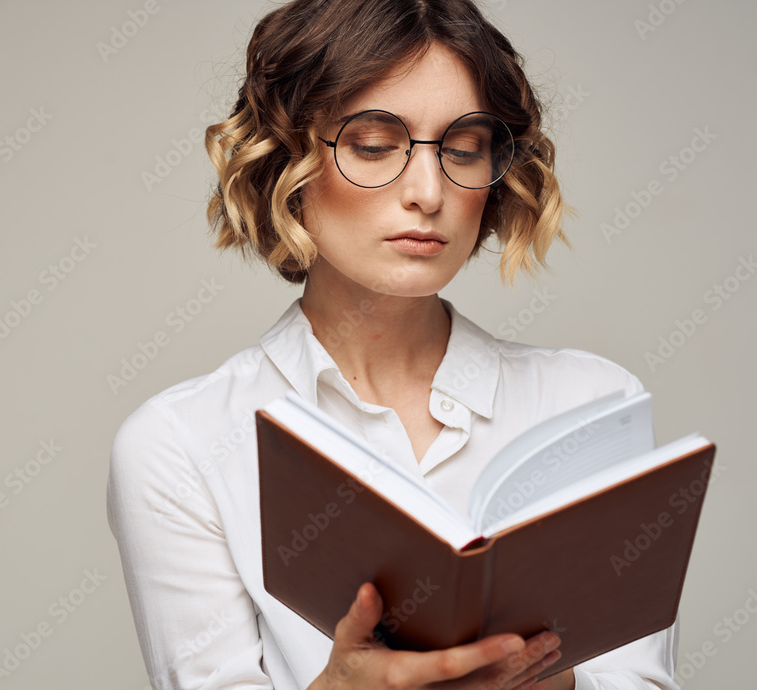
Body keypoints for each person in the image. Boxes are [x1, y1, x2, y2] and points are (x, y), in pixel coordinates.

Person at [107, 0, 679, 688]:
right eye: (375, 145)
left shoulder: (590, 405)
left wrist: (541, 680)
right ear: (287, 163)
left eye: (463, 149)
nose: (428, 192)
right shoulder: (181, 444)